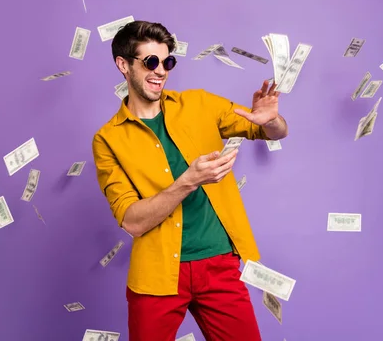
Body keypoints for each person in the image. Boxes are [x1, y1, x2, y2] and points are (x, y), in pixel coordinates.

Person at [92, 20, 289, 341]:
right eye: (150, 62)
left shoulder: (199, 103)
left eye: (167, 62)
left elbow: (269, 130)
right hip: (156, 275)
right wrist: (188, 181)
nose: (161, 71)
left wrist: (272, 120)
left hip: (219, 265)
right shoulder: (107, 140)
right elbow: (132, 222)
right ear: (123, 65)